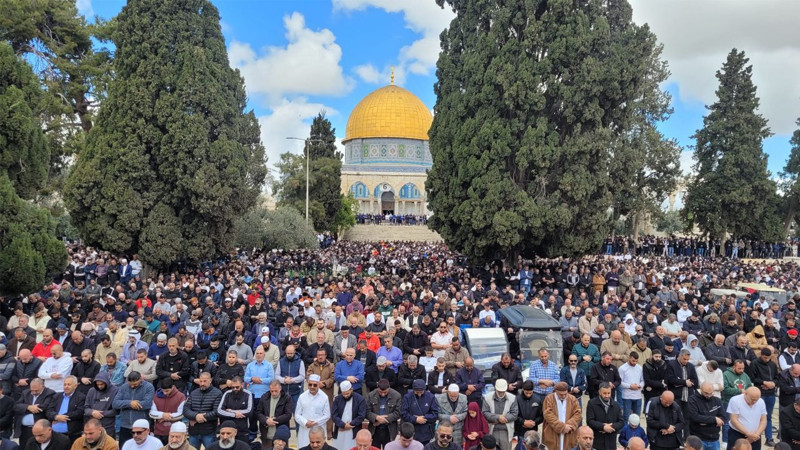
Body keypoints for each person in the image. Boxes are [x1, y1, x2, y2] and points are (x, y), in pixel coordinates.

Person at [113, 371, 155, 445]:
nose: (132, 386)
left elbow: (147, 404)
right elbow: (115, 403)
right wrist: (130, 403)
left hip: (141, 426)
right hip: (125, 425)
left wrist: (132, 404)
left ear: (140, 379)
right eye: (130, 384)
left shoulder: (148, 387)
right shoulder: (124, 387)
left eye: (135, 384)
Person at [183, 372, 222, 450]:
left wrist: (200, 417)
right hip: (194, 431)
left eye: (205, 381)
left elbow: (216, 412)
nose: (202, 383)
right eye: (200, 381)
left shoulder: (218, 393)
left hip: (208, 431)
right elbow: (185, 410)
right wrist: (196, 416)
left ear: (210, 381)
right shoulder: (193, 393)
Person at [747, 347, 778, 446]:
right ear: (761, 355)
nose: (767, 359)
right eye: (765, 358)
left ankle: (769, 438)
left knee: (768, 416)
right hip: (759, 394)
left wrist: (773, 383)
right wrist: (764, 382)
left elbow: (777, 377)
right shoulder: (754, 363)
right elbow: (752, 378)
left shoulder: (772, 364)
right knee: (757, 416)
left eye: (768, 358)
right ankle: (754, 436)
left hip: (771, 393)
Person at [14, 378, 56, 449]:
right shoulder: (25, 393)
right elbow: (16, 406)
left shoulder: (50, 393)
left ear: (42, 387)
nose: (33, 392)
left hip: (39, 429)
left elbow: (44, 407)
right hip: (24, 429)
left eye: (36, 390)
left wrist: (25, 407)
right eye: (32, 390)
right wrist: (28, 407)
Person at [295, 374, 331, 449]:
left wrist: (315, 423)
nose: (312, 387)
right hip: (305, 429)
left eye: (315, 385)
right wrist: (306, 422)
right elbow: (297, 415)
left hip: (319, 429)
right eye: (310, 384)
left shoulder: (324, 397)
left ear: (318, 385)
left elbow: (327, 415)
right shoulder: (302, 396)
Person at [541, 382, 580, 450]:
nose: (563, 396)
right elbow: (548, 414)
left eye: (565, 394)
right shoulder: (549, 398)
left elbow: (578, 414)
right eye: (561, 394)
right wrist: (562, 427)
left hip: (568, 431)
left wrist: (569, 426)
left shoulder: (573, 399)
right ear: (556, 391)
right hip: (552, 432)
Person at [256, 381, 294, 449]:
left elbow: (288, 415)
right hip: (266, 435)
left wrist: (273, 420)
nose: (274, 393)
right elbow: (258, 412)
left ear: (280, 388)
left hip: (281, 437)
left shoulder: (287, 398)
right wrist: (266, 420)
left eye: (276, 391)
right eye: (272, 391)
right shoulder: (264, 397)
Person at [365, 378, 402, 449]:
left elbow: (398, 413)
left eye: (385, 392)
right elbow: (367, 412)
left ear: (389, 388)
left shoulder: (397, 395)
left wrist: (382, 420)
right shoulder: (371, 395)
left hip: (389, 429)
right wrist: (376, 417)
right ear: (377, 387)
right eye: (380, 392)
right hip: (374, 429)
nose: (382, 394)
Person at [585, 382, 624, 450]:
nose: (607, 396)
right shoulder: (592, 403)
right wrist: (603, 427)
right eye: (604, 393)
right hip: (597, 443)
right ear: (599, 392)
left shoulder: (616, 405)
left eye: (609, 393)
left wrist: (611, 427)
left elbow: (621, 422)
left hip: (611, 443)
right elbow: (590, 421)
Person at [688, 382, 726, 450]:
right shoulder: (693, 400)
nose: (709, 395)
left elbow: (723, 417)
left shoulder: (717, 400)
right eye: (706, 393)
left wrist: (704, 420)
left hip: (714, 439)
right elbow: (694, 417)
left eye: (711, 393)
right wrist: (715, 419)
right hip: (699, 439)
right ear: (701, 389)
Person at [46, 375, 85, 441]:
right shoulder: (56, 396)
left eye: (69, 384)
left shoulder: (81, 397)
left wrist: (62, 417)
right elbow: (49, 411)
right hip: (54, 434)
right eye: (65, 384)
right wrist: (56, 417)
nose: (66, 387)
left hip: (71, 434)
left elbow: (79, 412)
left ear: (75, 386)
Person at [482, 379, 518, 450]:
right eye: (499, 391)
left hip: (506, 431)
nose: (501, 393)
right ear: (495, 389)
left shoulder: (512, 398)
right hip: (492, 430)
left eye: (503, 391)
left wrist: (502, 418)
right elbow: (485, 413)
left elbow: (515, 414)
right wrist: (498, 417)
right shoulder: (487, 397)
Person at [332, 380, 367, 450]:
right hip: (340, 429)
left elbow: (361, 416)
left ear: (351, 389)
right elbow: (334, 415)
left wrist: (349, 425)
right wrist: (343, 425)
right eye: (343, 394)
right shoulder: (338, 399)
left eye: (347, 393)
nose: (345, 396)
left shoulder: (360, 399)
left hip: (353, 430)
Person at [149, 378, 186, 444]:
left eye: (167, 391)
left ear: (173, 387)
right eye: (163, 391)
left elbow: (181, 414)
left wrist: (165, 417)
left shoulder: (181, 396)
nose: (165, 393)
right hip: (158, 432)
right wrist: (163, 415)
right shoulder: (156, 396)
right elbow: (151, 413)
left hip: (174, 432)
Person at [401, 379, 438, 444]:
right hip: (411, 430)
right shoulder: (407, 397)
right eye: (417, 392)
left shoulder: (431, 397)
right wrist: (415, 419)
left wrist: (424, 418)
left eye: (421, 392)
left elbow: (435, 414)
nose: (419, 394)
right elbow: (403, 413)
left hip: (426, 431)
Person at [618, 352, 644, 420]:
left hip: (638, 396)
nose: (634, 363)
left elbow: (643, 380)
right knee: (626, 416)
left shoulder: (640, 368)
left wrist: (639, 386)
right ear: (629, 358)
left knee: (637, 416)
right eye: (633, 361)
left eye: (636, 361)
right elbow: (620, 382)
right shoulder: (622, 368)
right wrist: (630, 386)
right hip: (627, 396)